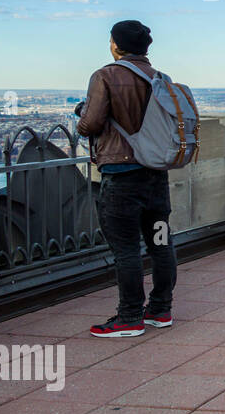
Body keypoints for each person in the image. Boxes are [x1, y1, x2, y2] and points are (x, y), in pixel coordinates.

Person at [75, 20, 177, 337]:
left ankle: (130, 317)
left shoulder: (105, 75)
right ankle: (160, 310)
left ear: (116, 45)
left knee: (127, 249)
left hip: (120, 176)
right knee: (161, 242)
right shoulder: (161, 78)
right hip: (156, 175)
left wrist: (81, 114)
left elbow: (90, 124)